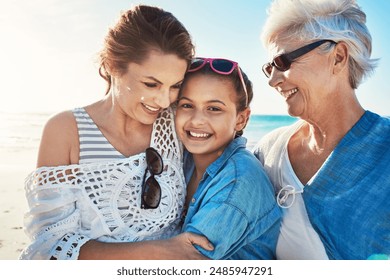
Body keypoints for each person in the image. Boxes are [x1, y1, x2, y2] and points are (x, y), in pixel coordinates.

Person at [20, 5, 211, 260]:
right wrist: (157, 251)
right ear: (112, 66)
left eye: (175, 86)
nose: (164, 100)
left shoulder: (176, 123)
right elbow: (50, 244)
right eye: (151, 84)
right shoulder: (66, 130)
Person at [253, 0, 390, 260]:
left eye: (282, 61)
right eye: (269, 67)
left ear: (338, 57)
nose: (272, 80)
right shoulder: (268, 152)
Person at [175, 58, 281, 259]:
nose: (197, 120)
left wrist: (95, 251)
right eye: (187, 105)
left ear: (241, 119)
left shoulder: (237, 182)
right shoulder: (181, 160)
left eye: (214, 108)